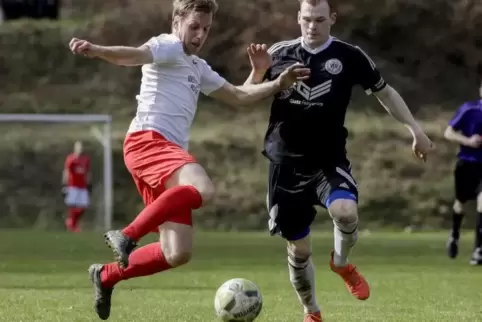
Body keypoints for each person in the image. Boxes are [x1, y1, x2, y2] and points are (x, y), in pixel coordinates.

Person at [69, 0, 310, 319]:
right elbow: (134, 55)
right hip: (148, 141)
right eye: (194, 26)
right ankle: (128, 235)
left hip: (164, 153)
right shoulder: (167, 46)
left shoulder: (197, 67)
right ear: (176, 22)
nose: (200, 35)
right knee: (204, 189)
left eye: (206, 29)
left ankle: (106, 276)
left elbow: (238, 96)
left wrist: (261, 74)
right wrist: (97, 49)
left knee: (176, 252)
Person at [243, 0, 434, 321]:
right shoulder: (279, 52)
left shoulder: (350, 56)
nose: (312, 26)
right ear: (298, 18)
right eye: (307, 19)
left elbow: (385, 93)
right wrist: (259, 71)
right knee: (299, 251)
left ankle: (342, 263)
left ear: (332, 19)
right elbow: (244, 96)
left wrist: (415, 129)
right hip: (285, 166)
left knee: (346, 213)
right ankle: (312, 311)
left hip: (328, 161)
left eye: (320, 19)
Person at [444, 81, 482, 265]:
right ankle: (454, 234)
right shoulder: (469, 110)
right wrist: (468, 141)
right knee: (461, 202)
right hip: (467, 163)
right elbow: (449, 132)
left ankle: (478, 250)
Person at [62, 140, 91, 233]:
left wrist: (89, 183)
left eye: (81, 147)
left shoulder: (86, 159)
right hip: (72, 186)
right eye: (78, 147)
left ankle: (71, 222)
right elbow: (66, 171)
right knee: (73, 206)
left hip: (83, 186)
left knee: (83, 206)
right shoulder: (71, 159)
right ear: (75, 148)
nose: (80, 149)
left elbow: (88, 172)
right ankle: (73, 225)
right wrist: (64, 184)